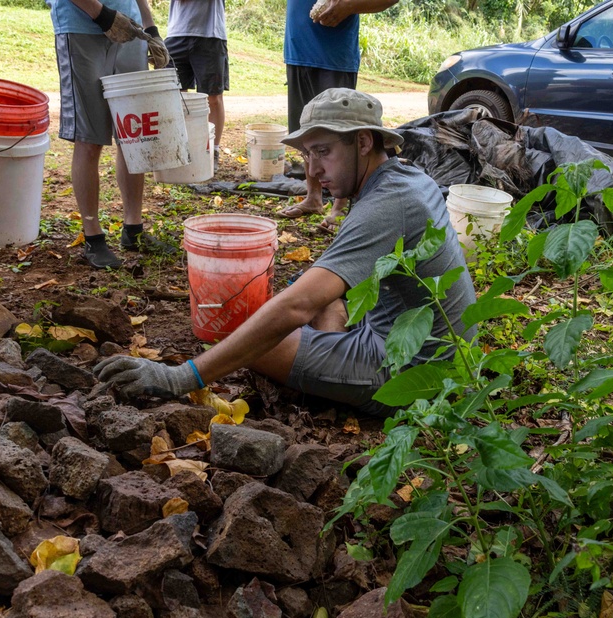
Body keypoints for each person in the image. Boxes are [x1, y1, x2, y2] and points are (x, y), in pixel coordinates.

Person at [96, 88, 477, 417]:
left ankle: (338, 379)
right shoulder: (404, 177)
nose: (312, 170)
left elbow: (296, 307)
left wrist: (180, 376)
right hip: (425, 342)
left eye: (323, 152)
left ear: (363, 142)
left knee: (247, 339)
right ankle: (331, 363)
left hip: (416, 371)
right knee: (317, 302)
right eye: (308, 155)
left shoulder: (389, 203)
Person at [49, 0, 172, 270]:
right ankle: (93, 236)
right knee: (89, 139)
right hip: (81, 26)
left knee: (132, 136)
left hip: (129, 29)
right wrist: (100, 14)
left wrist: (150, 28)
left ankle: (133, 229)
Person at [277, 0, 398, 230]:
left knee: (339, 135)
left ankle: (341, 206)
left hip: (333, 56)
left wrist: (349, 6)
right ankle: (314, 197)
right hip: (297, 49)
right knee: (306, 133)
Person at [165, 0, 227, 173]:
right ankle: (181, 150)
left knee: (213, 98)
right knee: (175, 96)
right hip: (176, 33)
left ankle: (212, 151)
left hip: (210, 34)